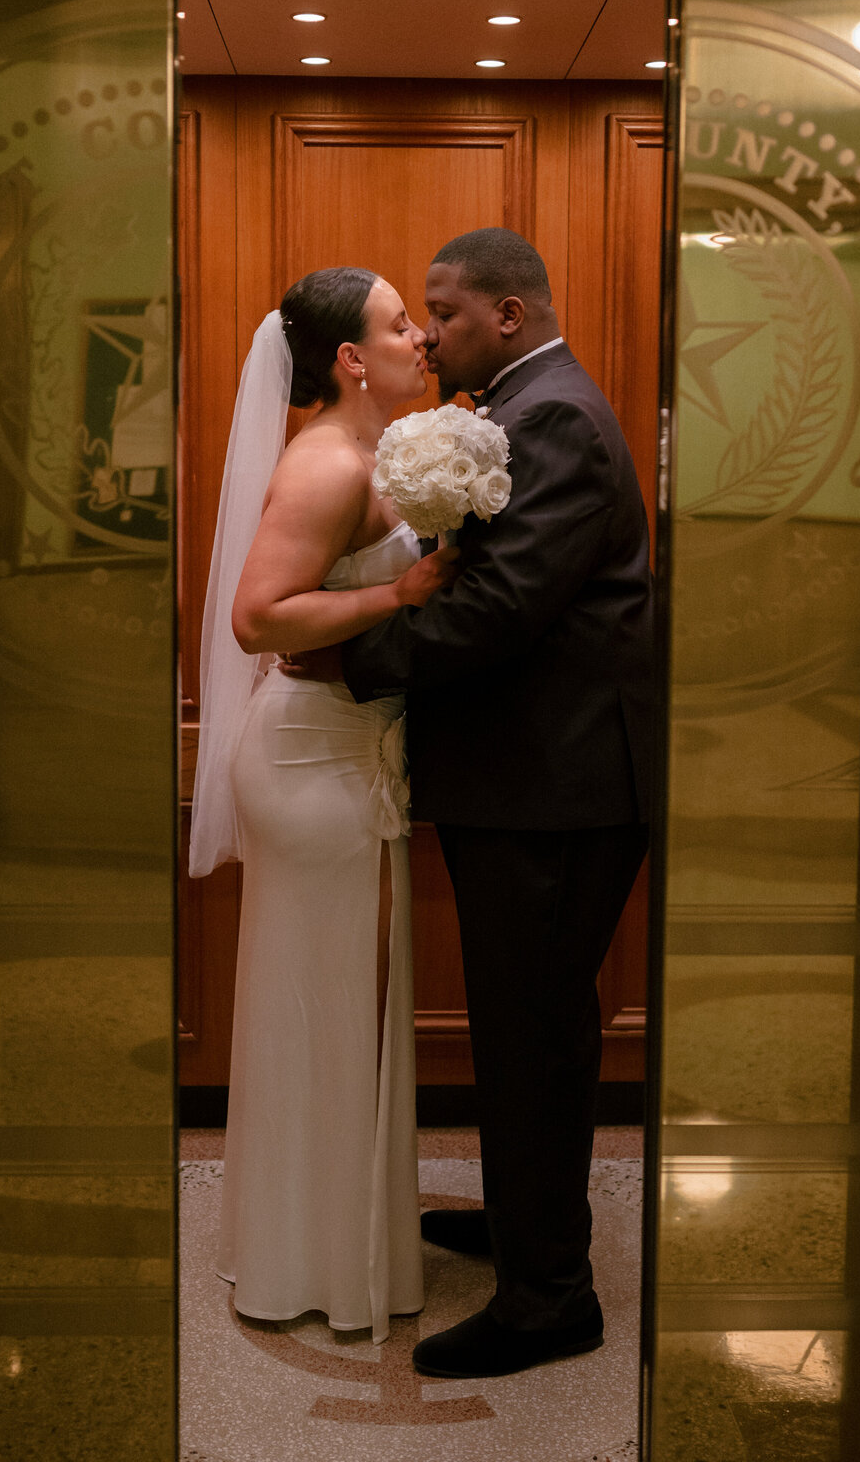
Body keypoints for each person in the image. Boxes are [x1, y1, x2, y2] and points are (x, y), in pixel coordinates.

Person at [287, 226, 654, 1379]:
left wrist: (350, 662)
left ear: (507, 313)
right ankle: (525, 1228)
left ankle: (551, 1301)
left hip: (557, 787)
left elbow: (498, 613)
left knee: (532, 1036)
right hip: (545, 780)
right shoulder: (530, 403)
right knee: (533, 1029)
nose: (428, 333)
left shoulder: (551, 417)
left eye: (441, 311)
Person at [188, 266, 456, 1345]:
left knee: (341, 1009)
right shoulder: (323, 463)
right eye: (401, 327)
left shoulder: (375, 454)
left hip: (348, 756)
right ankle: (308, 1266)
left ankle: (325, 1246)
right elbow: (259, 618)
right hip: (310, 764)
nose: (422, 340)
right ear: (352, 360)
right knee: (324, 1010)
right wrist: (395, 593)